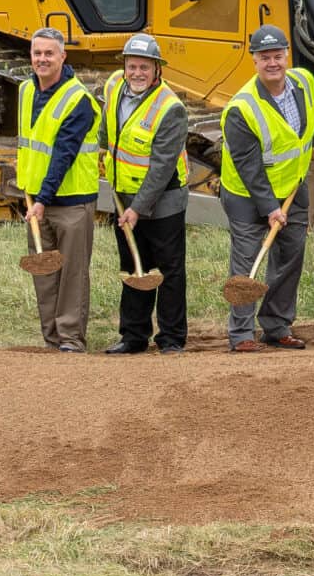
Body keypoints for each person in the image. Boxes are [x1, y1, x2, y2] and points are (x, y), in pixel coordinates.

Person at [220, 24, 314, 352]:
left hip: (292, 189)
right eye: (265, 58)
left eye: (277, 55)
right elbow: (250, 168)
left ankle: (277, 325)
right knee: (248, 263)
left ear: (286, 55)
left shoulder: (304, 82)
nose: (272, 63)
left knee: (290, 257)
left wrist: (313, 144)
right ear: (254, 61)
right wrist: (270, 208)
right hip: (247, 196)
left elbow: (313, 118)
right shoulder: (241, 109)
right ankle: (242, 334)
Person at [103, 34, 189, 354]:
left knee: (167, 271)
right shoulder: (114, 87)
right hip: (123, 195)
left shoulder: (171, 108)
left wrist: (137, 208)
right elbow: (106, 129)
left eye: (144, 67)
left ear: (157, 70)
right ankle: (133, 336)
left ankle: (171, 338)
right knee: (133, 267)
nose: (137, 72)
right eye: (132, 66)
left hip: (164, 200)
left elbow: (162, 168)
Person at [16, 28, 99, 352]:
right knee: (44, 274)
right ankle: (51, 338)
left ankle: (70, 339)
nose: (42, 59)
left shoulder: (78, 100)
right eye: (37, 53)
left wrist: (43, 199)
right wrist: (28, 192)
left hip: (71, 203)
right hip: (36, 200)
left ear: (63, 57)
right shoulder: (24, 90)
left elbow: (64, 153)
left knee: (72, 275)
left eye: (49, 53)